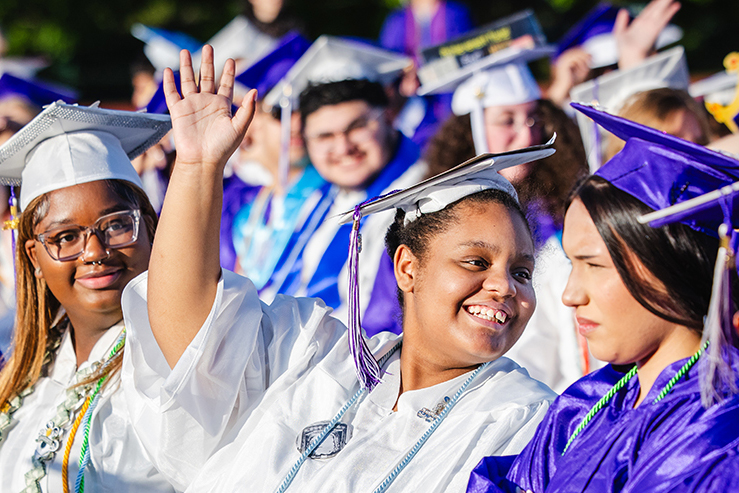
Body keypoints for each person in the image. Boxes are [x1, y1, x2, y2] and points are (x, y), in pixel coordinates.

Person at [119, 45, 556, 492]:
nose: (503, 285)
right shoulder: (317, 358)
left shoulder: (522, 423)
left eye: (522, 271)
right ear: (407, 268)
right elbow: (190, 336)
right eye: (476, 262)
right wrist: (198, 166)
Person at [466, 104, 739, 493]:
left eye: (593, 265)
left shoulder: (719, 435)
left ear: (668, 266)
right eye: (572, 264)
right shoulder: (589, 401)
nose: (569, 295)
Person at [0, 102, 174, 491]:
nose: (95, 252)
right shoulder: (26, 373)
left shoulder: (174, 363)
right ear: (35, 257)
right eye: (65, 237)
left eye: (115, 226)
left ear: (148, 228)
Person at [256, 36, 425, 336]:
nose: (343, 147)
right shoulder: (320, 199)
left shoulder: (425, 198)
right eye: (324, 136)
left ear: (388, 116)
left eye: (357, 127)